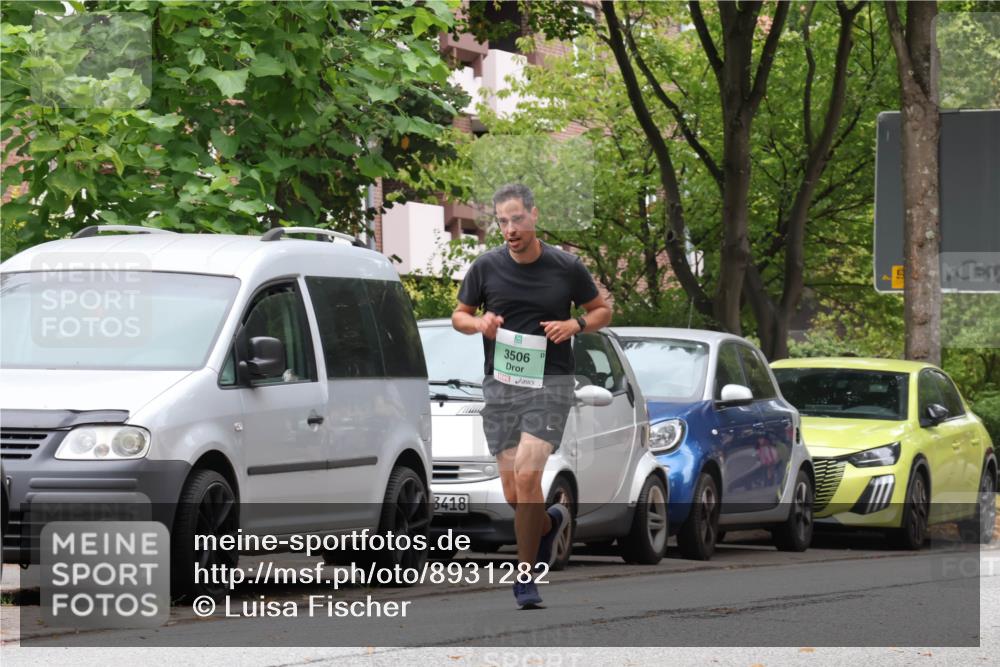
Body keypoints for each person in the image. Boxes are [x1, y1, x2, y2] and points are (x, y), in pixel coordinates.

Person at [452, 183, 612, 608]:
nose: (510, 229)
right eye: (502, 222)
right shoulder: (485, 268)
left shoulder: (565, 267)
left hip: (551, 385)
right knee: (513, 492)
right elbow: (458, 316)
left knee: (528, 476)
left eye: (517, 219)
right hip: (501, 388)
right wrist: (479, 324)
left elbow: (602, 310)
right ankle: (549, 522)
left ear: (534, 216)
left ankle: (525, 578)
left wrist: (575, 325)